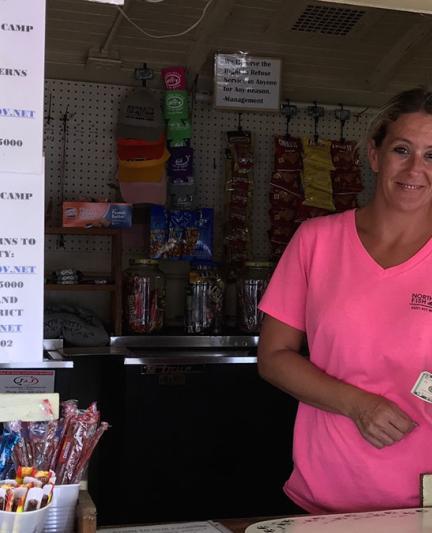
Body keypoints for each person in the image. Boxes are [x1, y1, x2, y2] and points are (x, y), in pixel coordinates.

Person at [257, 87, 432, 515]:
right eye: (402, 150)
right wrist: (359, 406)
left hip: (425, 505)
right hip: (327, 497)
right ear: (374, 155)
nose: (415, 168)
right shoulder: (316, 241)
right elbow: (274, 356)